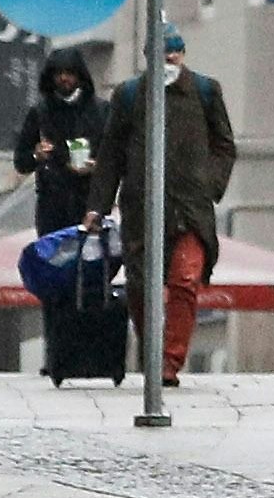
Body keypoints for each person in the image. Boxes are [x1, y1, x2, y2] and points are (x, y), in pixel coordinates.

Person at [84, 24, 238, 387]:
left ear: (183, 54)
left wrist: (209, 185)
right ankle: (152, 352)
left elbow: (224, 146)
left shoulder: (204, 91)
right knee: (140, 287)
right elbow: (111, 157)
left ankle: (170, 363)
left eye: (175, 51)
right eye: (162, 52)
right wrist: (98, 206)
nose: (169, 58)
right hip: (142, 210)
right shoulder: (129, 95)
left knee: (185, 281)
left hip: (190, 210)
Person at [14, 49, 107, 239]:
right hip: (52, 208)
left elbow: (116, 156)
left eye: (70, 73)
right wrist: (36, 156)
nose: (64, 78)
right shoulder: (40, 112)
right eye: (59, 74)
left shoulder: (101, 111)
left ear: (79, 75)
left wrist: (97, 167)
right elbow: (21, 161)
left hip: (90, 205)